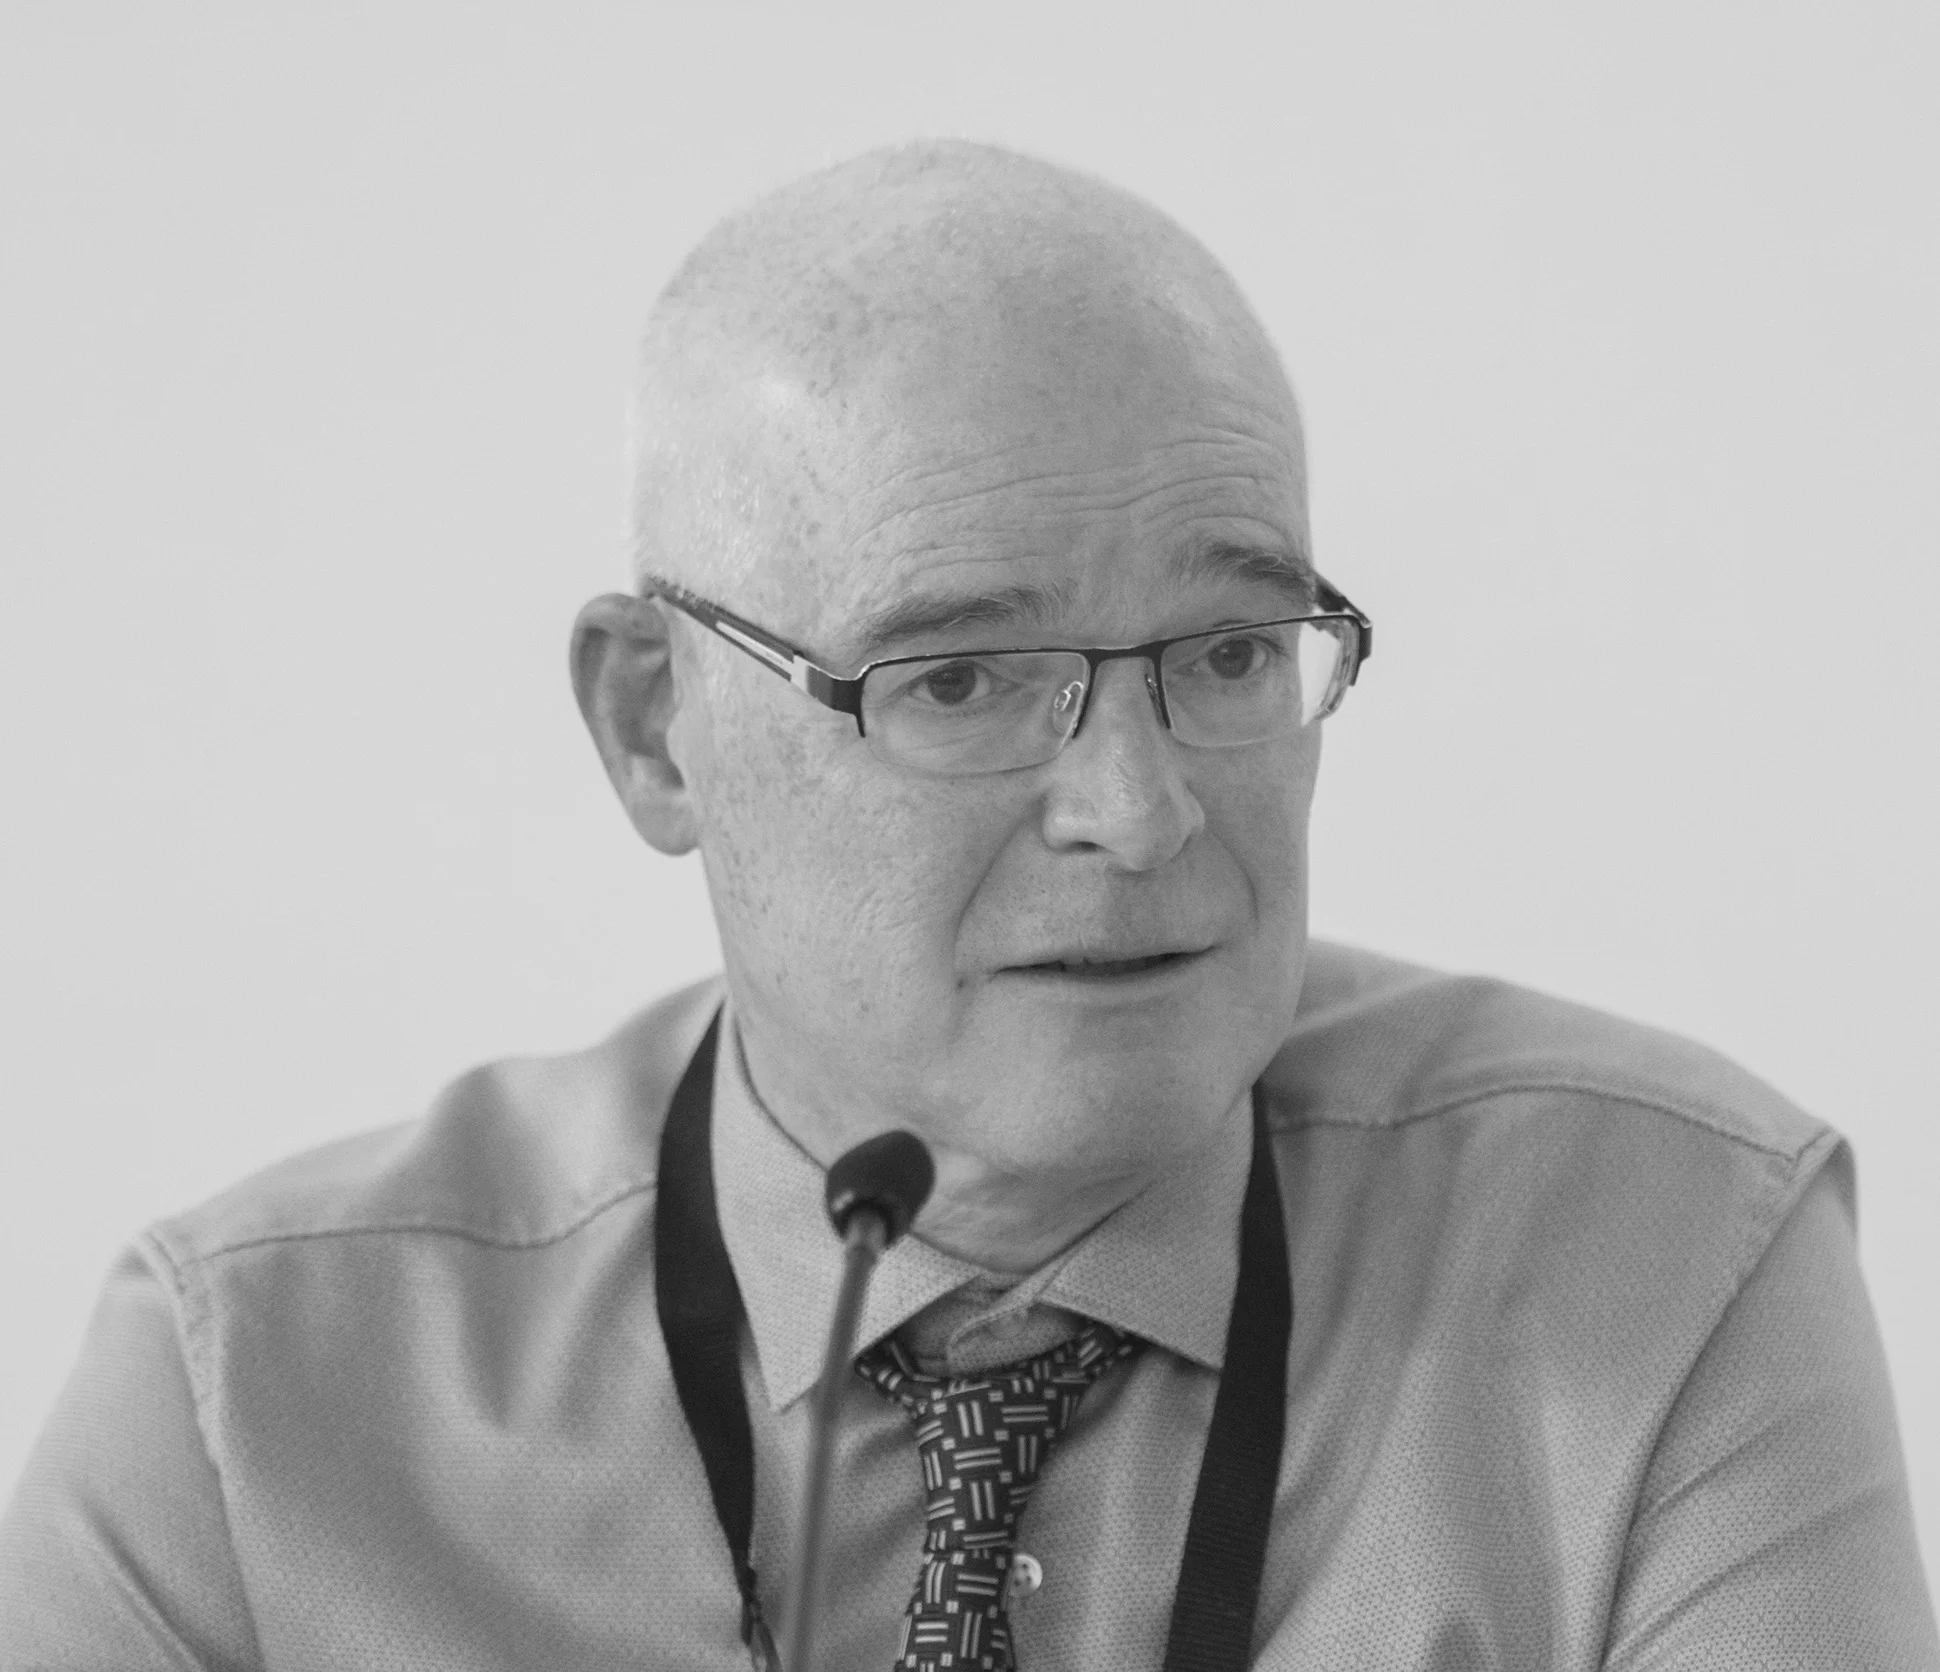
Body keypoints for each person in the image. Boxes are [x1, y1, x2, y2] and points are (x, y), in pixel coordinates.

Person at [2, 140, 1933, 1670]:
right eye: (959, 681)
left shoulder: (1666, 1257)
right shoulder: (252, 1409)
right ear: (656, 728)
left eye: (1229, 654)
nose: (1139, 811)